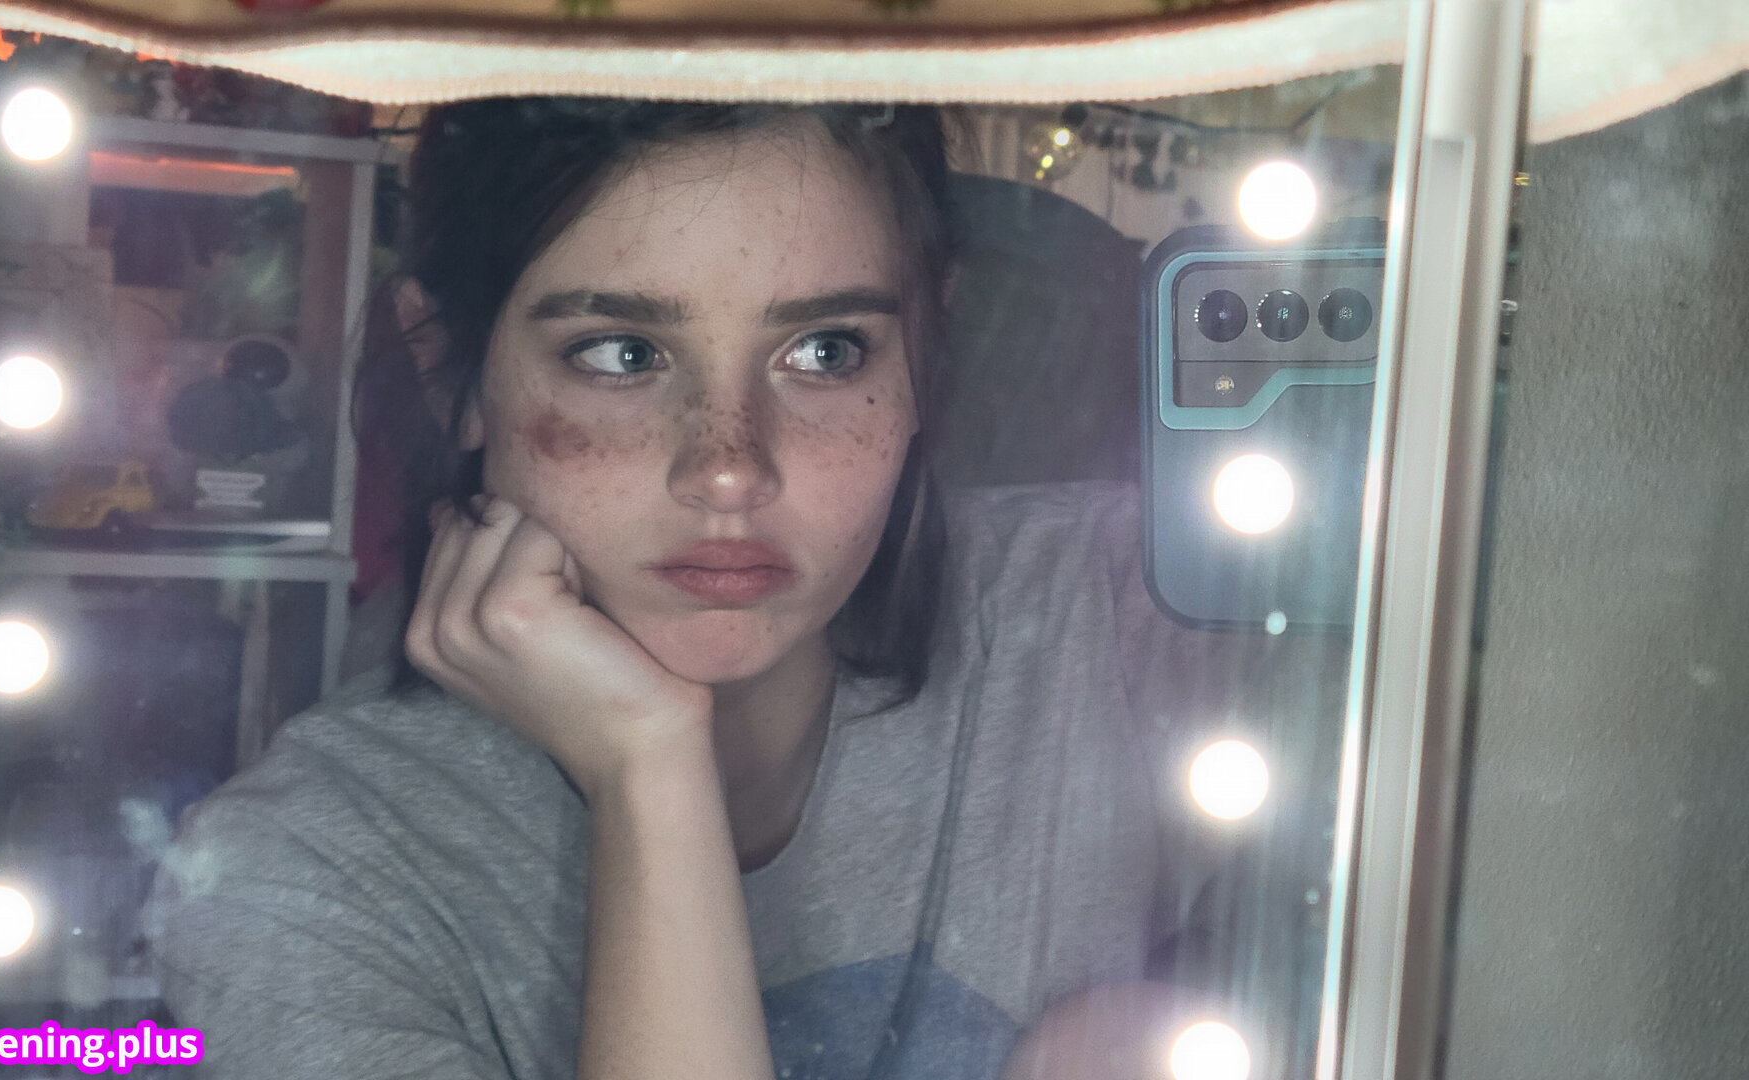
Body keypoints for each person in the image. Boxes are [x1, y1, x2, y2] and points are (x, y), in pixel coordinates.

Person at [147, 96, 1311, 1080]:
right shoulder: (306, 879)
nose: (727, 469)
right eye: (621, 354)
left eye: (826, 351)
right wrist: (647, 765)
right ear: (448, 364)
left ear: (925, 351)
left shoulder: (1123, 607)